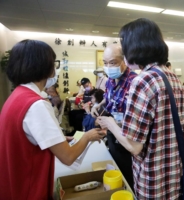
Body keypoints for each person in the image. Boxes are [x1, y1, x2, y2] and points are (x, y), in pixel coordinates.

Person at [0, 39, 106, 199]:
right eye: (53, 64)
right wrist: (87, 136)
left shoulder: (17, 96)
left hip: (13, 184)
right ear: (44, 66)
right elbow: (68, 157)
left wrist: (58, 140)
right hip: (29, 190)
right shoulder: (36, 105)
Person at [97, 18, 184, 199]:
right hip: (174, 173)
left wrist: (111, 123)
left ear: (136, 46)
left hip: (152, 178)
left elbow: (134, 146)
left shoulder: (143, 80)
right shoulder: (173, 79)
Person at [91, 44, 137, 190]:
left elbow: (137, 117)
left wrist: (114, 123)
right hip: (113, 131)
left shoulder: (134, 82)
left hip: (127, 136)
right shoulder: (111, 79)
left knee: (128, 175)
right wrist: (98, 104)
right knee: (116, 168)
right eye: (105, 63)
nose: (108, 67)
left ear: (124, 61)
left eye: (113, 62)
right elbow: (109, 97)